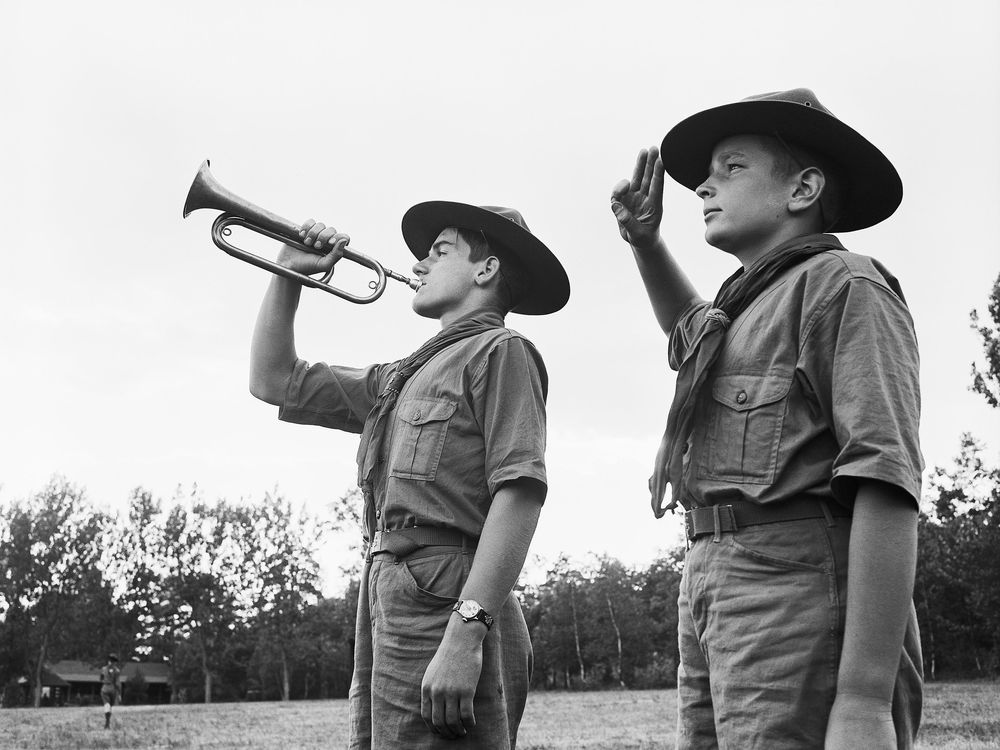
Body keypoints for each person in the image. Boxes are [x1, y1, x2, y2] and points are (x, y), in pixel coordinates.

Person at [610, 88, 923, 749]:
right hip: (714, 585)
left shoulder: (845, 284)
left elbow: (886, 481)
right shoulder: (740, 307)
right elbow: (691, 329)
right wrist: (646, 243)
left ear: (803, 188)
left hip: (796, 591)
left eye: (733, 167)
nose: (701, 185)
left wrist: (864, 699)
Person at [249, 200, 569, 748]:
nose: (418, 265)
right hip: (387, 590)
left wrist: (465, 635)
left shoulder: (503, 351)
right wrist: (288, 273)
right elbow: (273, 380)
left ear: (485, 270)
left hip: (448, 594)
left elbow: (519, 493)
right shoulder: (399, 378)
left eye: (439, 251)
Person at [99, 654, 121, 729]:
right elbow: (117, 683)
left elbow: (101, 678)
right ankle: (107, 722)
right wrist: (119, 693)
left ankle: (107, 722)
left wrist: (105, 680)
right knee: (109, 706)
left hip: (105, 687)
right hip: (112, 688)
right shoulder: (117, 670)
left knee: (106, 705)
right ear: (115, 662)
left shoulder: (103, 669)